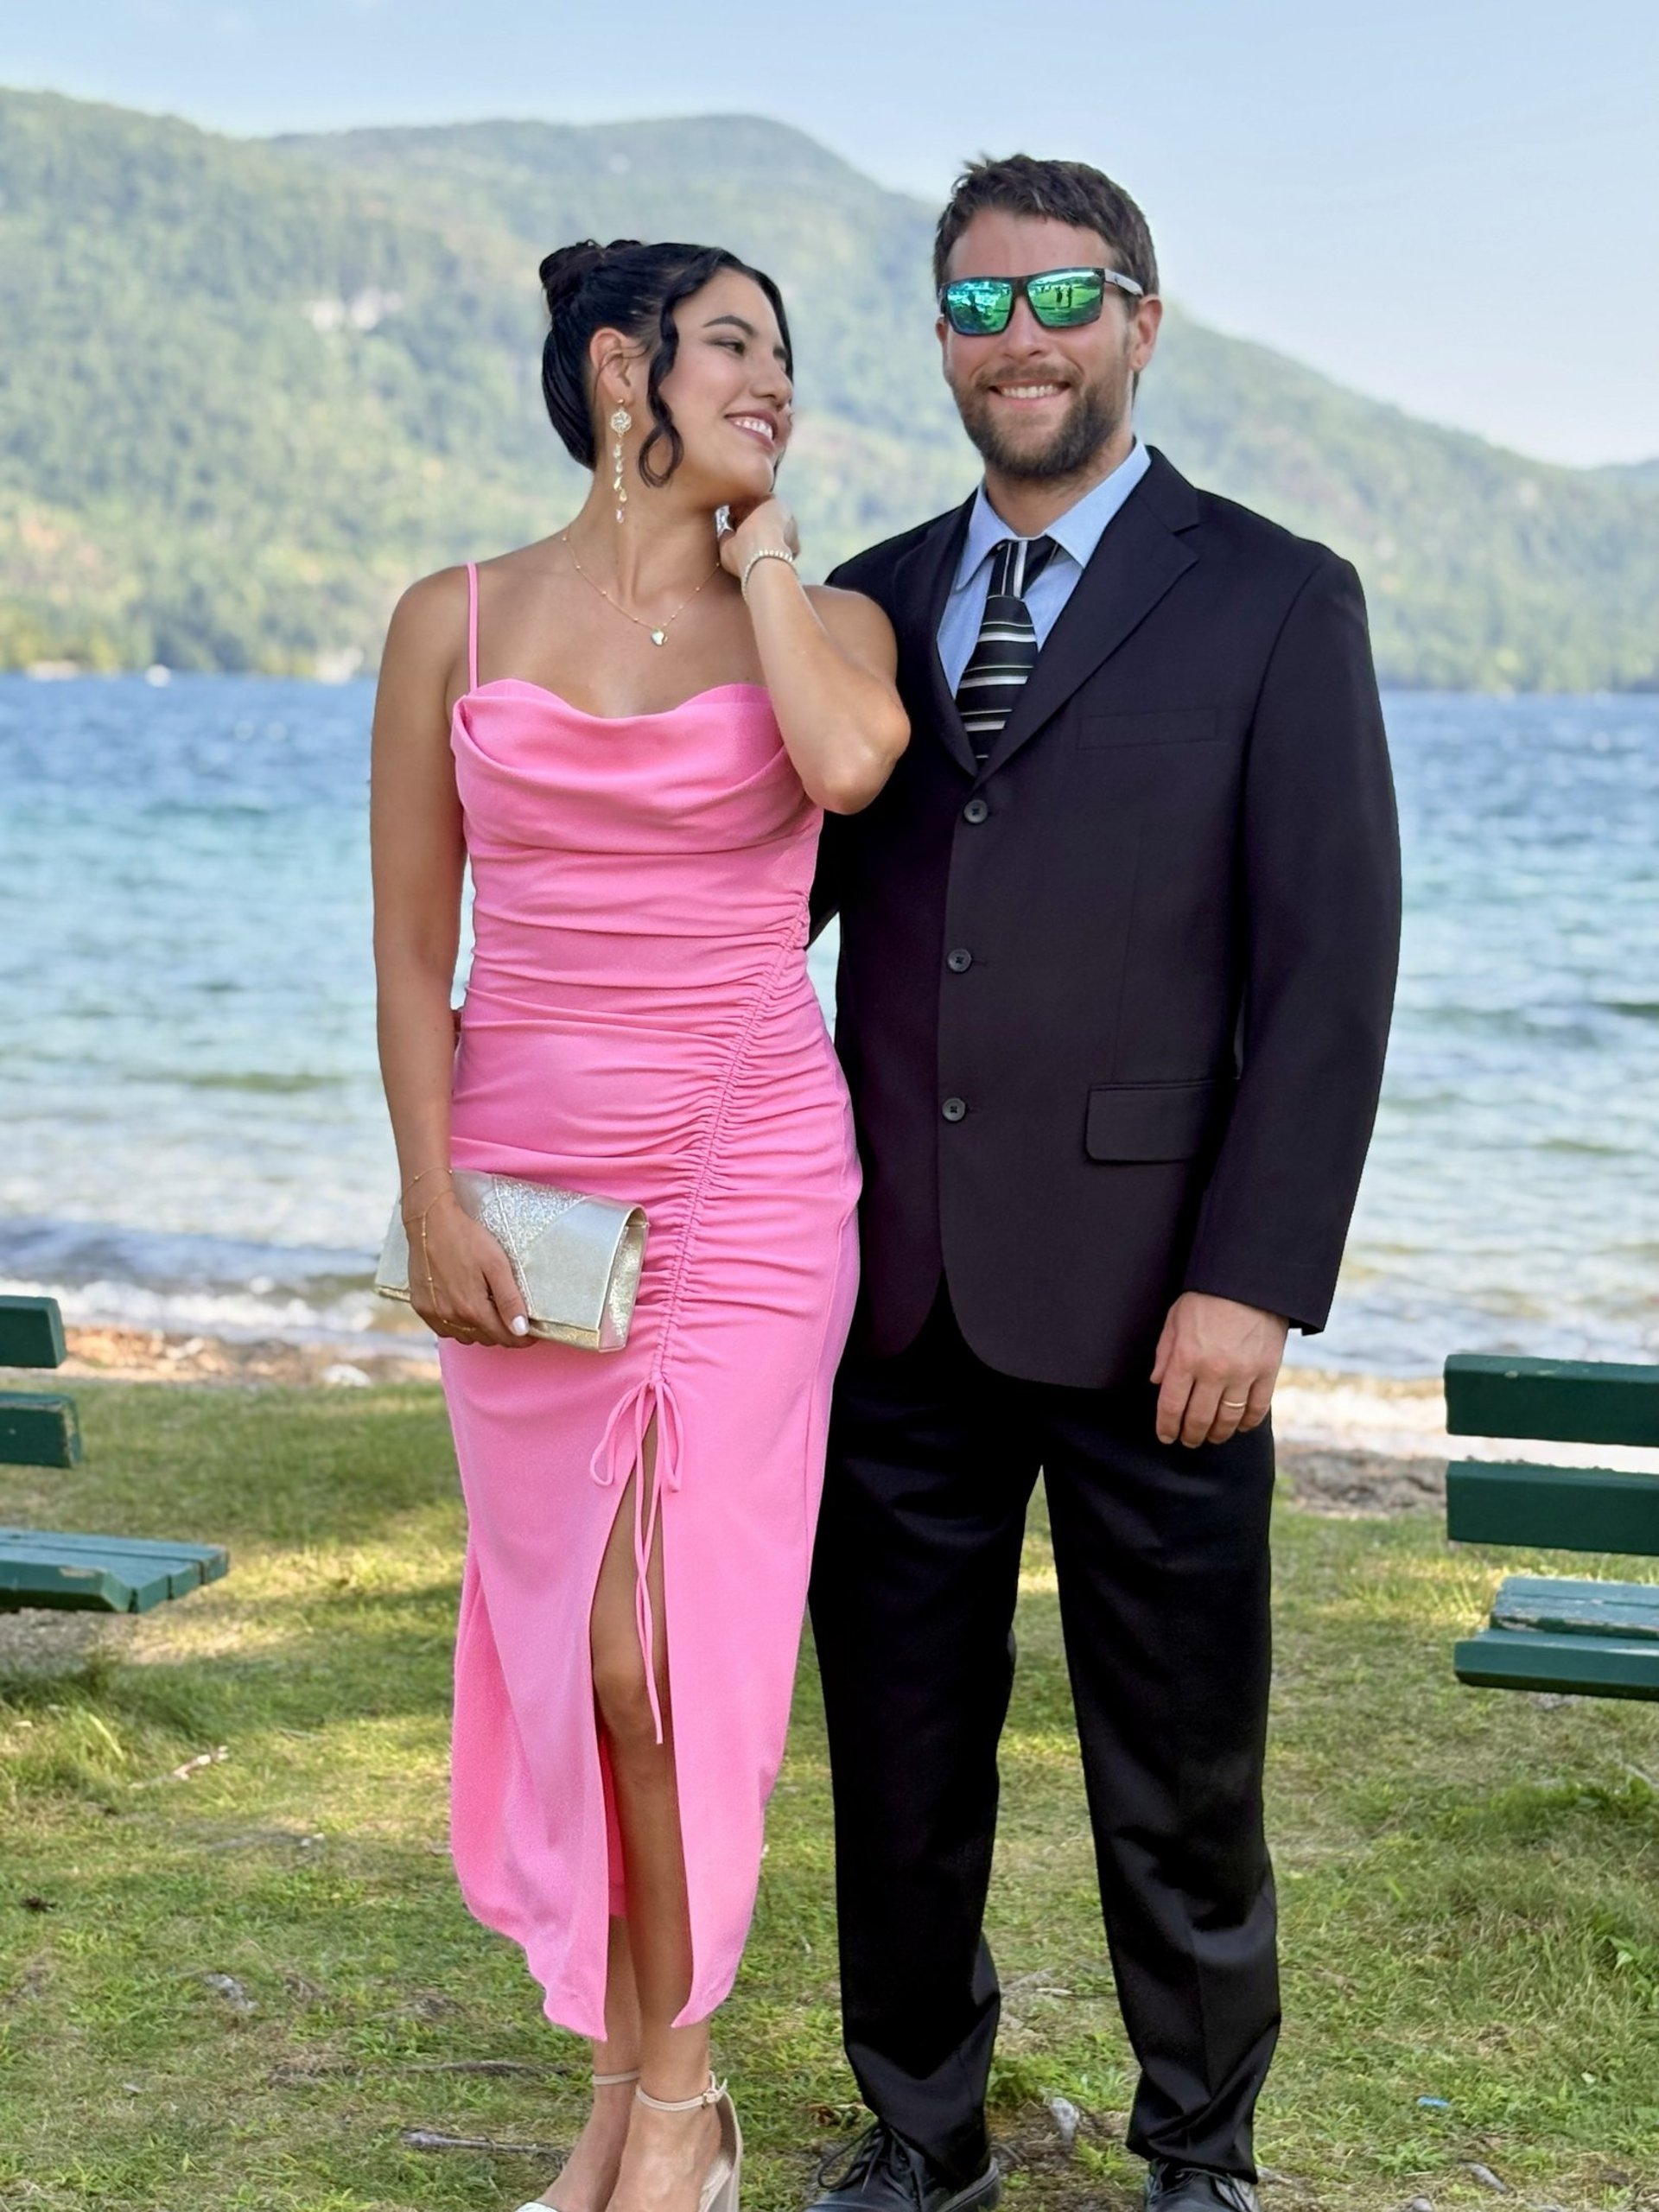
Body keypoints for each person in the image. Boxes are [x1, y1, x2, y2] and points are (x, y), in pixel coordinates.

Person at [806, 156, 1401, 2212]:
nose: (1023, 340)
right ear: (941, 341)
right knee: (899, 1755)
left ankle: (1202, 2147)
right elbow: (747, 914)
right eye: (980, 306)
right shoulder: (862, 603)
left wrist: (1258, 1275)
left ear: (1143, 321)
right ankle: (922, 2128)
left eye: (1064, 298)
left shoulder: (1277, 595)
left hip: (1166, 1304)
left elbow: (1330, 967)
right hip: (892, 1290)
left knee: (1184, 1760)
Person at [371, 236, 906, 2212]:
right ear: (624, 369)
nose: (774, 381)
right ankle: (622, 2093)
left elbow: (847, 765)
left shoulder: (826, 621)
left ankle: (679, 2110)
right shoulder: (452, 620)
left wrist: (765, 563)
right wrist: (429, 1195)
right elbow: (412, 948)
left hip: (749, 1176)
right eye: (733, 345)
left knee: (670, 1653)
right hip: (528, 1197)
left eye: (786, 356)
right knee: (582, 1658)